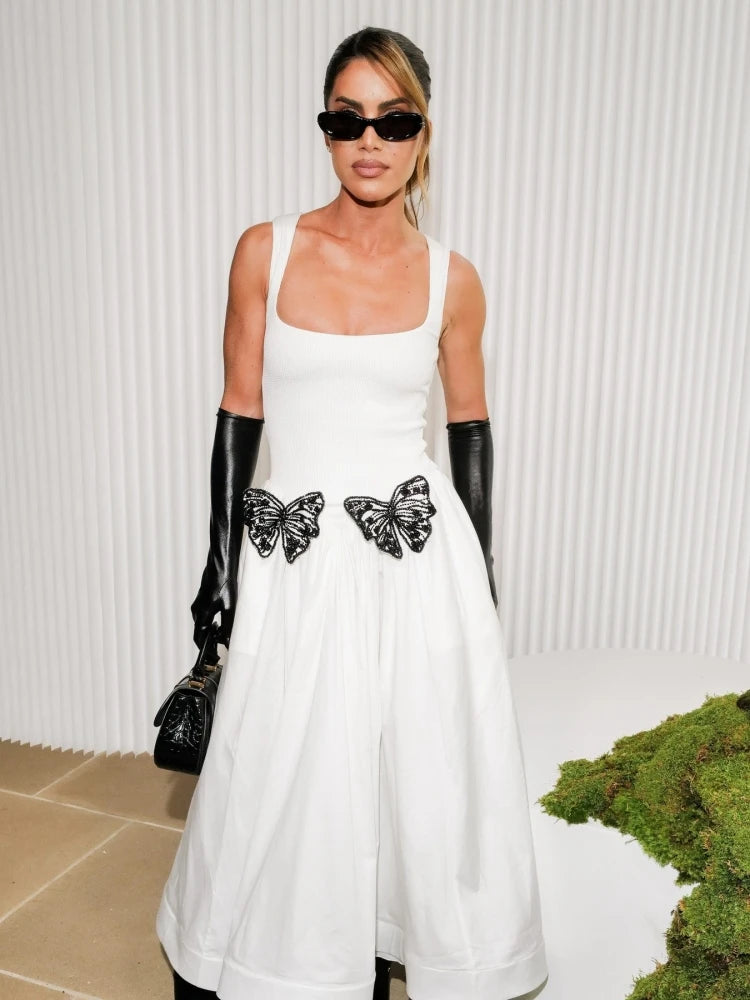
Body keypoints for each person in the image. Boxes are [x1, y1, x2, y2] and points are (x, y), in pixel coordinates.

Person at [156, 25, 549, 1000]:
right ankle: (246, 952)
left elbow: (471, 430)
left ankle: (375, 952)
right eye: (347, 118)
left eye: (393, 118)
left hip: (411, 554)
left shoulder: (453, 278)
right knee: (279, 764)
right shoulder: (266, 250)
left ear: (424, 133)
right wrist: (218, 569)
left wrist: (482, 575)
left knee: (406, 768)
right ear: (325, 129)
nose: (369, 139)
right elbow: (238, 412)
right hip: (290, 553)